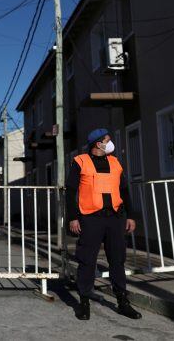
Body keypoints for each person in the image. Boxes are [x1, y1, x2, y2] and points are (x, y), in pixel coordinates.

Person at [66, 128, 142, 321]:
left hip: (115, 217)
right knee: (87, 260)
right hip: (91, 218)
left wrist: (130, 215)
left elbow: (124, 190)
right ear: (98, 143)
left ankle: (122, 301)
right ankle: (84, 303)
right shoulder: (80, 161)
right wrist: (73, 217)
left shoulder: (115, 162)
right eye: (107, 140)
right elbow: (70, 191)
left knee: (117, 259)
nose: (110, 143)